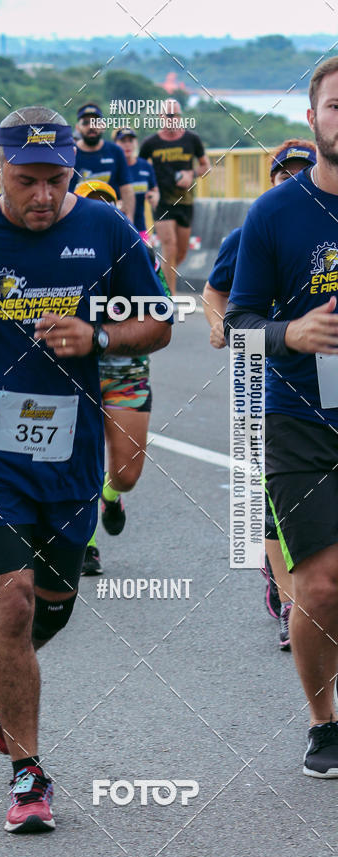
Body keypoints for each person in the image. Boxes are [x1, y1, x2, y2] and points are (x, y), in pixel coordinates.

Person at [0, 106, 172, 833]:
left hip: (72, 455)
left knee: (53, 604)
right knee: (11, 599)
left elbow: (158, 320)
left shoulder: (106, 230)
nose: (43, 196)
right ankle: (28, 774)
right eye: (26, 181)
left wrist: (99, 334)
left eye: (56, 180)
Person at [224, 57, 338, 777]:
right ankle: (324, 722)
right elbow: (239, 320)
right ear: (313, 118)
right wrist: (290, 333)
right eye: (337, 104)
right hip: (301, 414)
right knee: (322, 584)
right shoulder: (274, 213)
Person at [204, 139, 316, 647]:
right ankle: (293, 601)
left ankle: (294, 580)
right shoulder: (252, 229)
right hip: (266, 374)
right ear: (270, 179)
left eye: (301, 171)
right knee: (271, 491)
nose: (291, 179)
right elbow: (216, 291)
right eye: (283, 172)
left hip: (326, 371)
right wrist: (217, 325)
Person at [73, 180, 171, 576]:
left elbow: (161, 314)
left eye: (108, 204)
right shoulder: (57, 254)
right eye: (91, 205)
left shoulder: (140, 253)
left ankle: (111, 497)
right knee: (81, 463)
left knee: (127, 474)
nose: (102, 211)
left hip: (126, 372)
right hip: (74, 373)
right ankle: (86, 544)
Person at [140, 99, 210, 294]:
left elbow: (206, 166)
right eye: (169, 116)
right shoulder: (151, 143)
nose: (173, 120)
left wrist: (191, 174)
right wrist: (149, 190)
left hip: (185, 201)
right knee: (169, 247)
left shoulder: (191, 139)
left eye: (176, 116)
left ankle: (157, 278)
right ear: (160, 118)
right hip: (162, 201)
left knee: (180, 252)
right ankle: (169, 296)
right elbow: (139, 169)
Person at [69, 103, 135, 222]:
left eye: (96, 122)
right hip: (79, 218)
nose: (91, 126)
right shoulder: (70, 153)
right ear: (78, 127)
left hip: (111, 217)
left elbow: (126, 187)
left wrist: (129, 218)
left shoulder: (115, 151)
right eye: (85, 122)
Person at [114, 126, 159, 244]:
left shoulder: (145, 166)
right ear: (115, 144)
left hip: (140, 227)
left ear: (136, 143)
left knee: (145, 261)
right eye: (123, 141)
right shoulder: (112, 167)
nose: (127, 145)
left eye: (130, 140)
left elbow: (155, 190)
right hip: (116, 228)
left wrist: (154, 196)